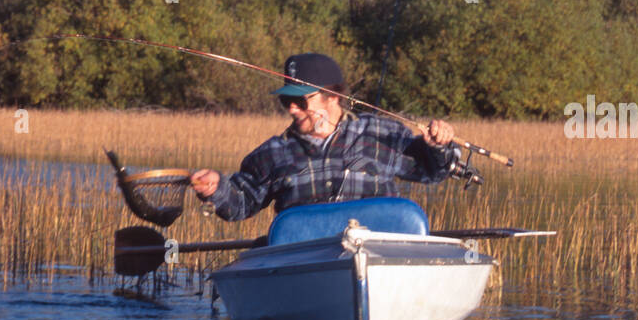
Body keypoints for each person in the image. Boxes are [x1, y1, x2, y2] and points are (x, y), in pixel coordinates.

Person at [190, 52, 460, 220]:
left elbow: (431, 172)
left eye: (301, 101)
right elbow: (242, 203)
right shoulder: (271, 153)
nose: (293, 109)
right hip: (305, 263)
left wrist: (439, 147)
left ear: (333, 97)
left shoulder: (381, 134)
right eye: (286, 101)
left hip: (380, 253)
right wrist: (217, 189)